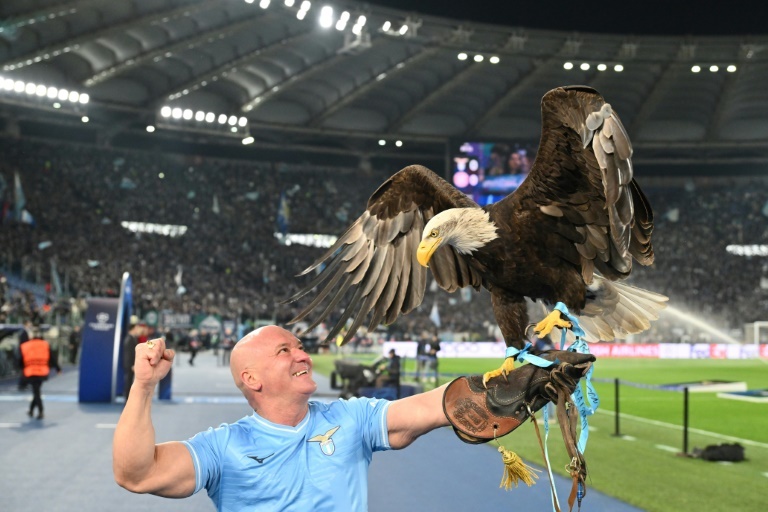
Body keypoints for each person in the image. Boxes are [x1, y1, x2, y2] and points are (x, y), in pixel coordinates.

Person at [113, 325, 450, 510]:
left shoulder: (352, 417)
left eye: (300, 346)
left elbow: (431, 406)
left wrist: (490, 385)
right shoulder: (223, 447)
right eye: (284, 351)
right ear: (251, 379)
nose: (303, 355)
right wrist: (143, 386)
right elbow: (137, 475)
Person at [20, 326, 60, 420]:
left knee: (36, 391)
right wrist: (57, 368)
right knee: (37, 391)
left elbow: (21, 360)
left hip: (30, 372)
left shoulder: (25, 345)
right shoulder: (45, 344)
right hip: (42, 372)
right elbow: (52, 358)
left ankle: (40, 411)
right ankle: (32, 410)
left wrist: (22, 370)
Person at [122, 316, 143, 401]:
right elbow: (128, 354)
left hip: (133, 365)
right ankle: (127, 400)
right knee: (128, 382)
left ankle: (130, 399)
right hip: (130, 366)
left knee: (131, 382)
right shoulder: (129, 339)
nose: (138, 330)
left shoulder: (134, 339)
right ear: (134, 328)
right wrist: (131, 365)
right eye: (137, 328)